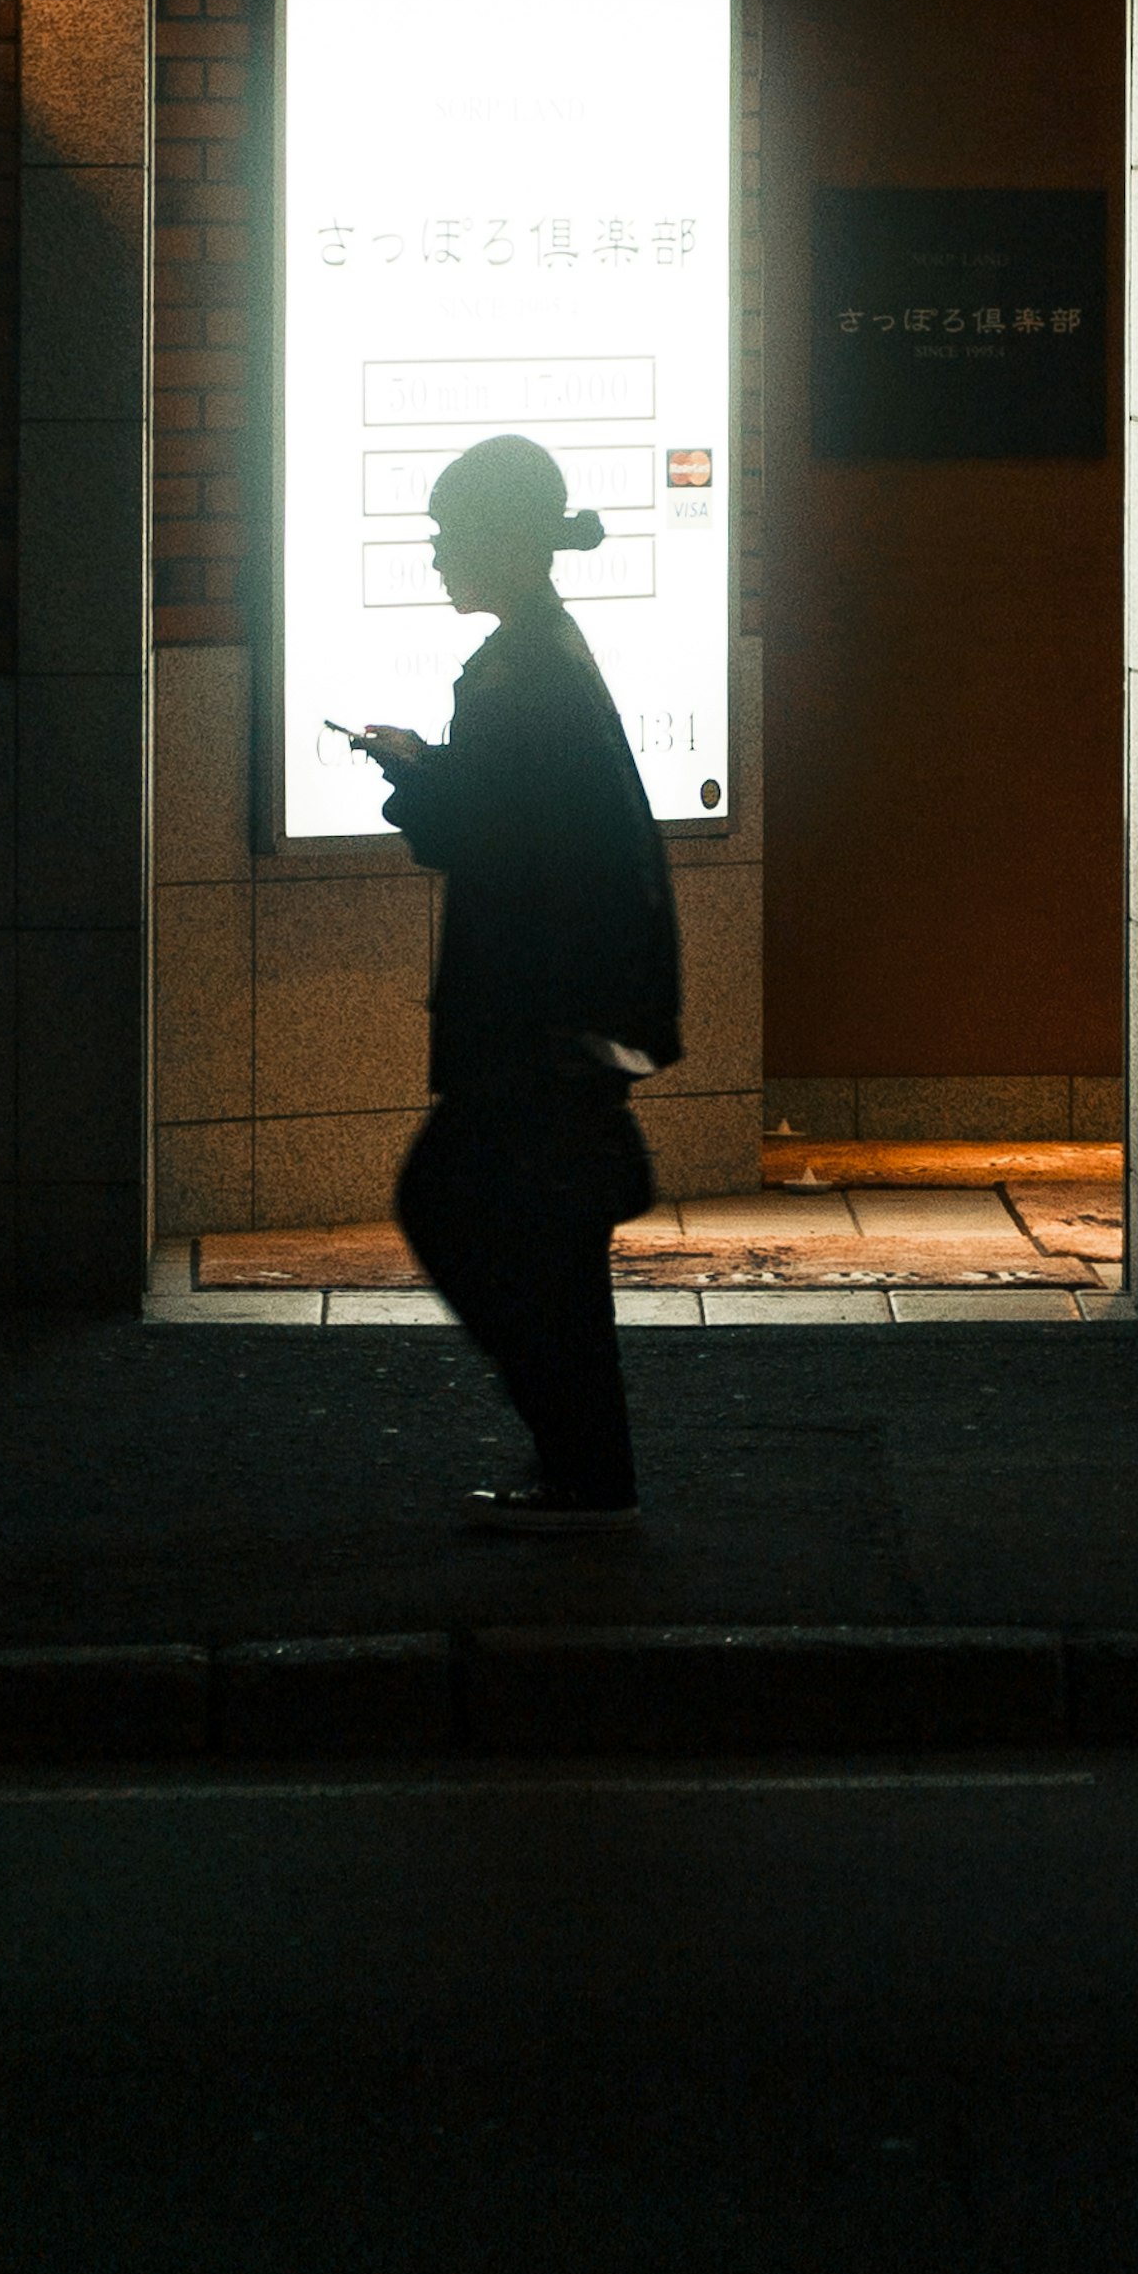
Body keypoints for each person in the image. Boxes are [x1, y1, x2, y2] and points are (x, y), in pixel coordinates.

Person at [350, 434, 682, 1530]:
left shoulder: (510, 673)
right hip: (570, 1007)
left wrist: (410, 776)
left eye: (449, 536)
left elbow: (480, 833)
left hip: (527, 1015)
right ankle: (586, 1468)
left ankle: (581, 1465)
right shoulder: (548, 651)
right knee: (549, 1243)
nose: (438, 555)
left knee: (450, 1207)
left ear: (497, 538)